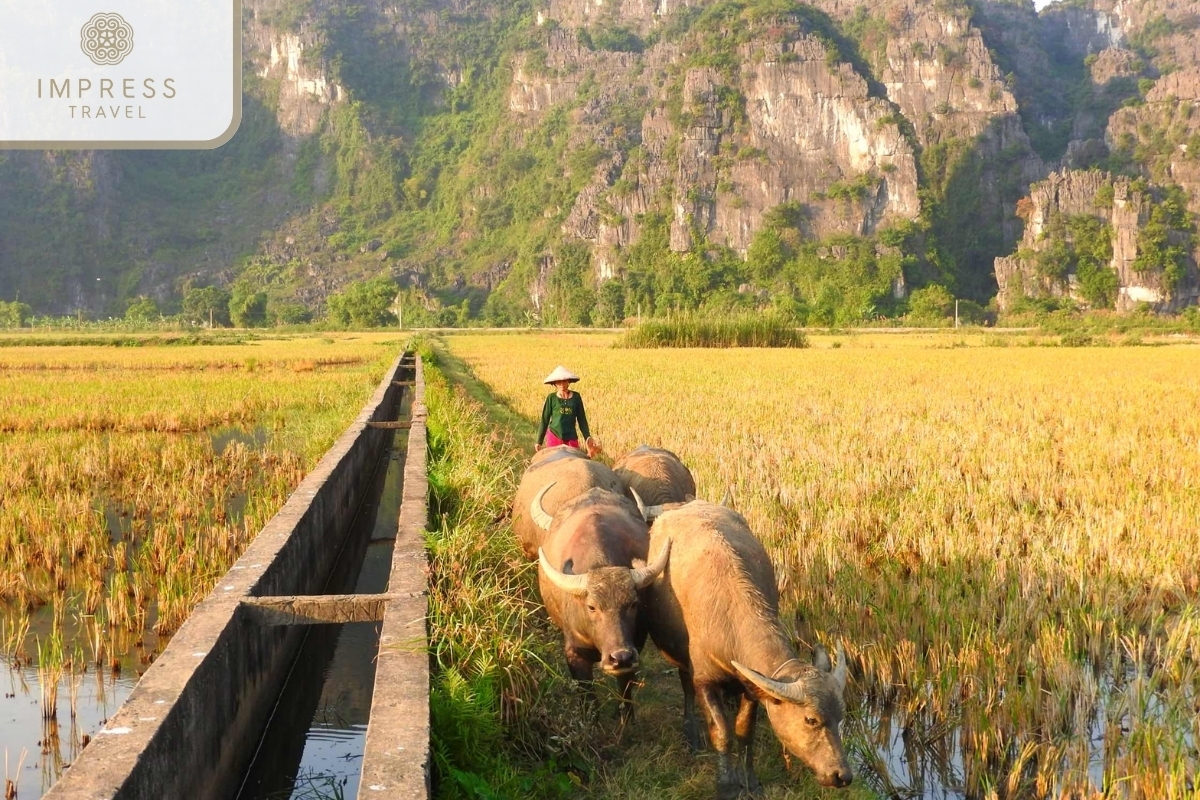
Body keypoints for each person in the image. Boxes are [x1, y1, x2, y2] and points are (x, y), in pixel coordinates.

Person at [535, 365, 599, 456]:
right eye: (559, 382)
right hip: (555, 435)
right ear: (555, 383)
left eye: (564, 381)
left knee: (575, 462)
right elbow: (544, 420)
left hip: (571, 436)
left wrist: (587, 437)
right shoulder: (551, 398)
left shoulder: (576, 397)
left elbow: (582, 419)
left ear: (568, 382)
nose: (562, 384)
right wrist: (539, 441)